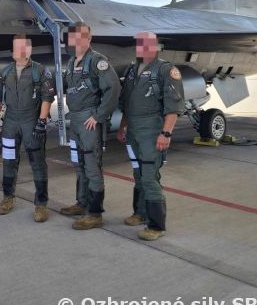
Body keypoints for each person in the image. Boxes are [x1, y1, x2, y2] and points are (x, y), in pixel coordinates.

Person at [116, 31, 185, 240]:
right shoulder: (132, 70)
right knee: (138, 174)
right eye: (139, 44)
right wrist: (122, 127)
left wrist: (166, 133)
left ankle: (156, 226)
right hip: (133, 130)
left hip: (151, 130)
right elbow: (127, 103)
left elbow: (173, 107)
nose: (142, 48)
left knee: (149, 177)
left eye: (146, 44)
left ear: (155, 46)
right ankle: (140, 213)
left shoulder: (165, 70)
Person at [61, 22, 120, 230]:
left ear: (89, 38)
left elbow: (113, 88)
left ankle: (95, 214)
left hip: (88, 120)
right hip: (75, 120)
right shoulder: (71, 62)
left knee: (92, 166)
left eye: (82, 36)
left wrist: (98, 116)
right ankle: (81, 203)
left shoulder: (97, 61)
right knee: (79, 164)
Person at [0, 35, 55, 222]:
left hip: (31, 121)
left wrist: (42, 121)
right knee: (9, 161)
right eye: (15, 47)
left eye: (22, 47)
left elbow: (47, 97)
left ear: (29, 50)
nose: (18, 51)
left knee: (37, 163)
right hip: (10, 122)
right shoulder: (5, 72)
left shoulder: (40, 71)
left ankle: (41, 204)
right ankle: (7, 198)